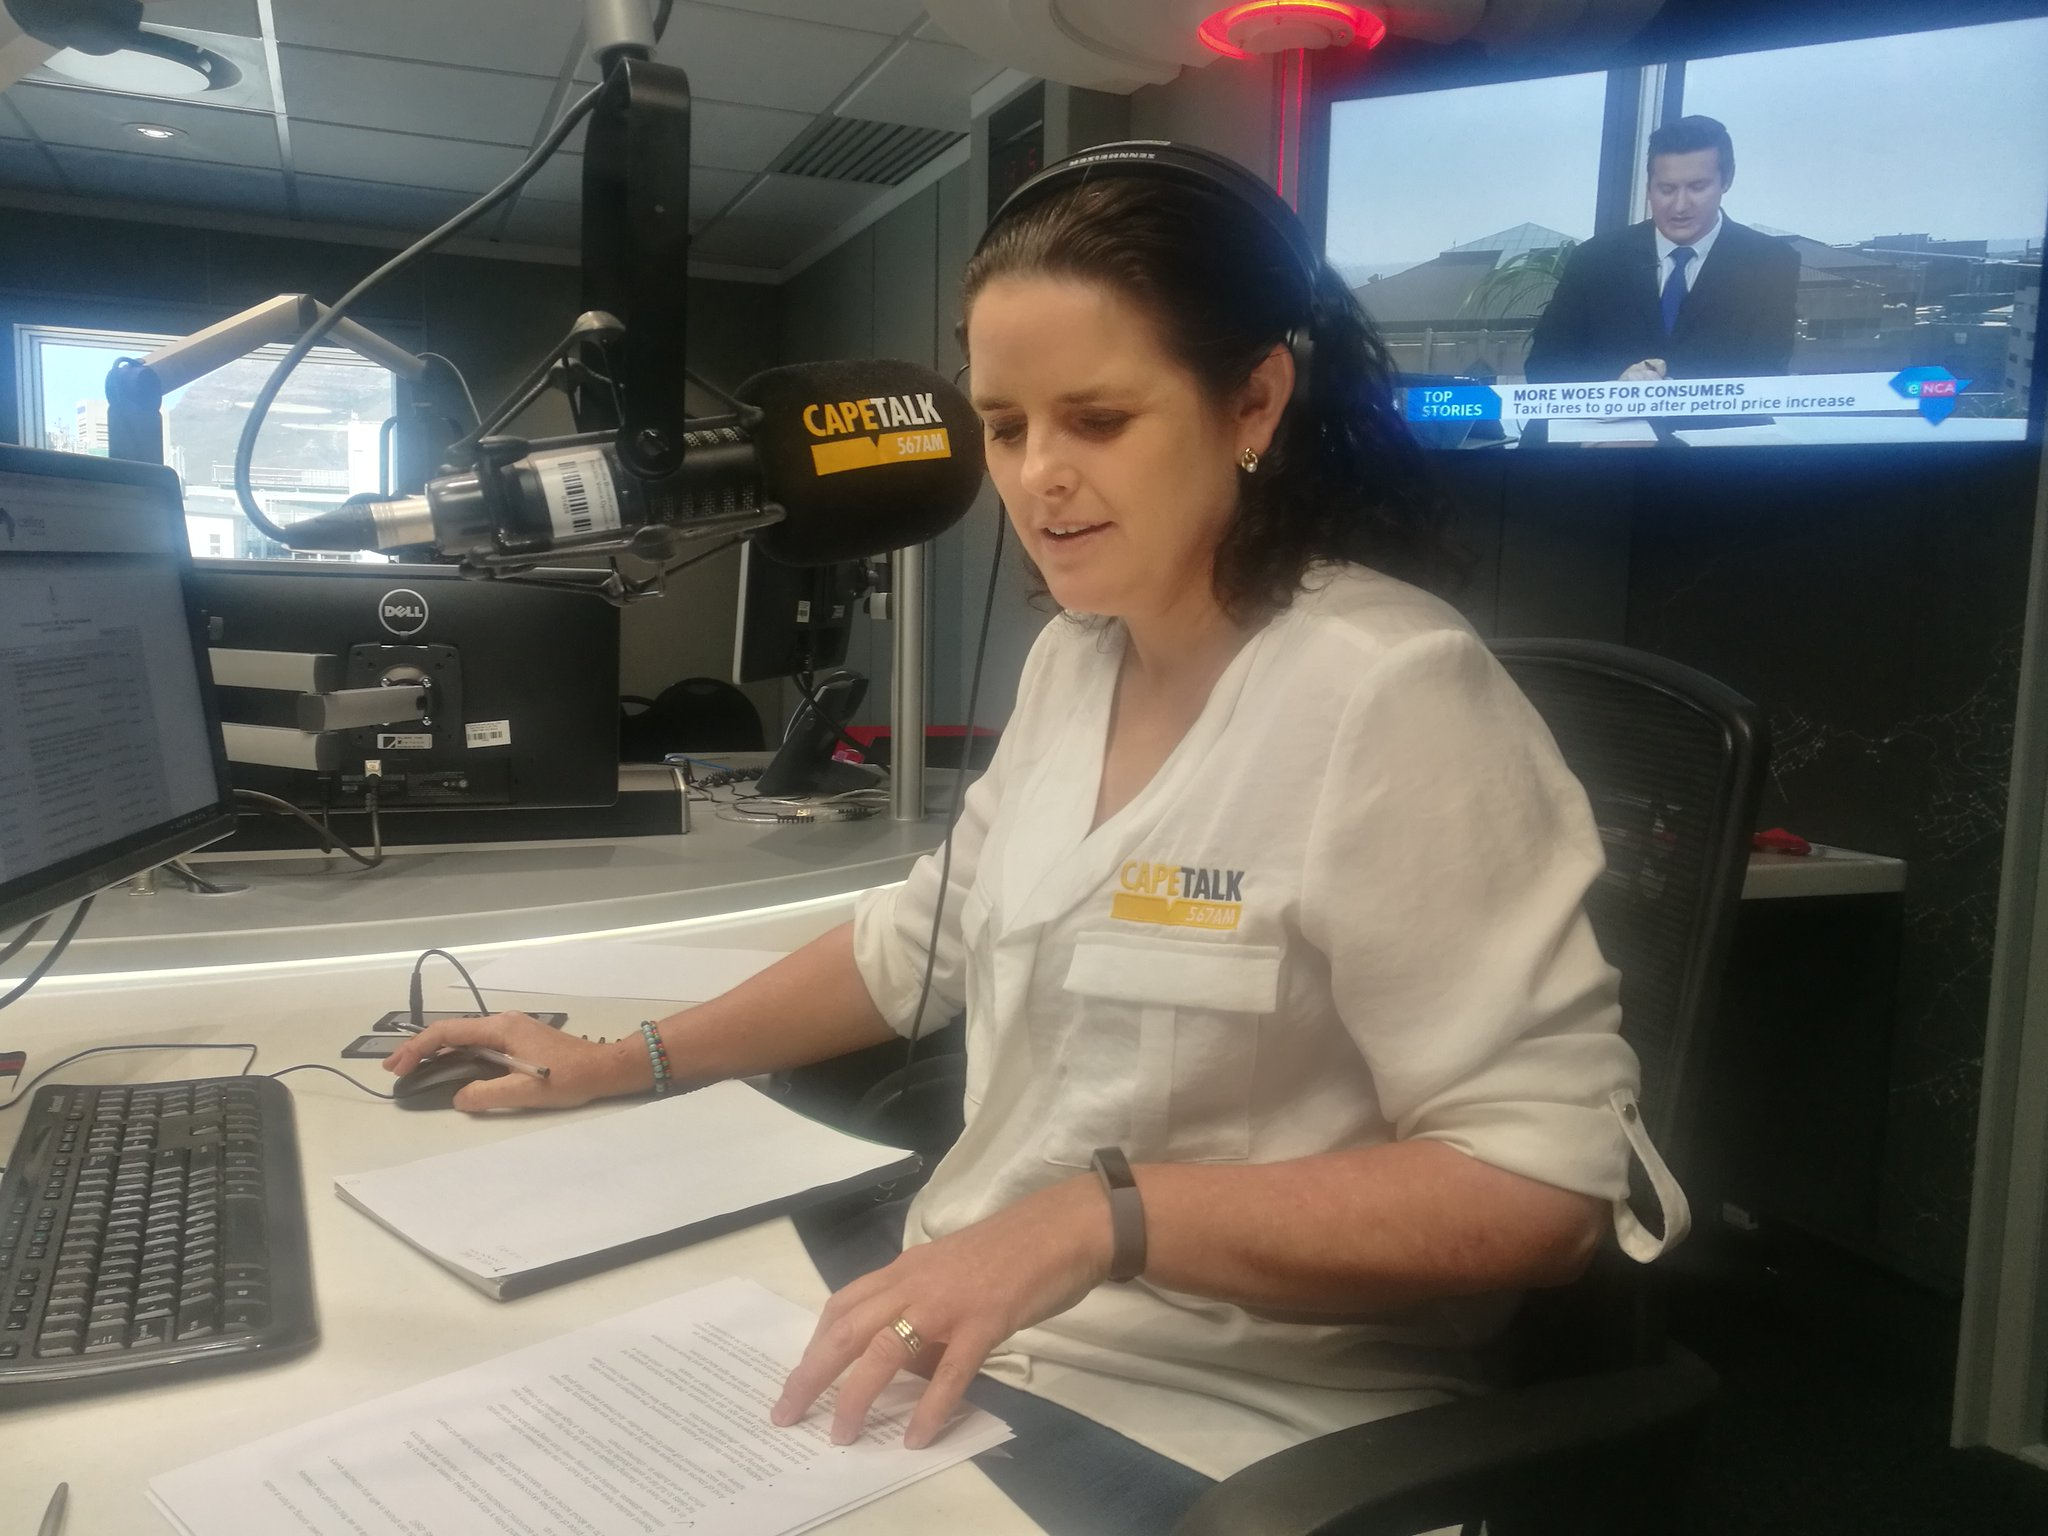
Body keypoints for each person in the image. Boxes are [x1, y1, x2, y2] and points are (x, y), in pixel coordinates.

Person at [388, 142, 1667, 1535]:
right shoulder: (1076, 658)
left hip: (1227, 1432)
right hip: (964, 1341)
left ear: (1253, 401)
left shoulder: (1389, 692)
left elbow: (1539, 1192)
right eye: (1004, 428)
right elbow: (910, 947)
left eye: (1098, 421)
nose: (1038, 478)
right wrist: (621, 1061)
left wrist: (1101, 1218)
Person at [1523, 115, 1800, 385]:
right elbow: (1544, 364)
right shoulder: (1595, 260)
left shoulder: (1770, 264)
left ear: (1726, 180)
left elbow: (1766, 374)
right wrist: (1614, 385)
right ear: (1648, 187)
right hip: (1614, 418)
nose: (1680, 205)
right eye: (1666, 189)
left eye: (1697, 187)